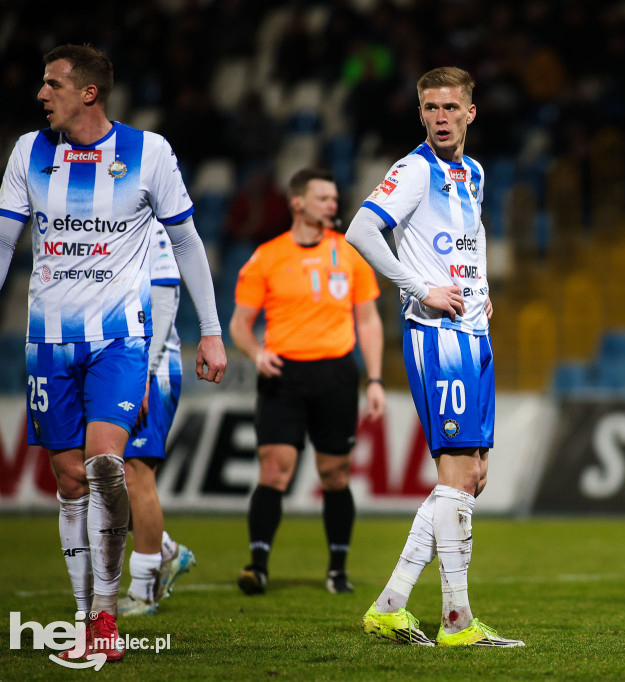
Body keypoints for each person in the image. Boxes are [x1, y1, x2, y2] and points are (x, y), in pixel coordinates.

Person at [0, 44, 226, 662]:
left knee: (106, 465)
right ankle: (83, 616)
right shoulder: (27, 152)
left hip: (121, 340)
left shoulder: (150, 153)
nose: (41, 95)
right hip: (48, 341)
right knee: (69, 481)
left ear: (88, 92)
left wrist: (210, 328)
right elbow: (2, 243)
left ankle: (105, 617)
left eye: (52, 84)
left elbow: (186, 243)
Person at [346, 66, 524, 647]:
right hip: (438, 335)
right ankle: (457, 621)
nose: (441, 117)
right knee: (455, 475)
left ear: (472, 113)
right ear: (419, 113)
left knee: (470, 477)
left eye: (451, 108)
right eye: (431, 108)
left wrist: (481, 285)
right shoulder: (414, 170)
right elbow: (361, 231)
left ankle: (392, 605)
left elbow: (468, 235)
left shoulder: (471, 172)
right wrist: (419, 288)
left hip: (475, 333)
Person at [229, 168, 386, 596]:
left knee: (335, 474)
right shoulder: (267, 257)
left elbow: (368, 321)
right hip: (284, 375)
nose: (332, 205)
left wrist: (374, 379)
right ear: (297, 203)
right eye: (322, 198)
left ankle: (337, 570)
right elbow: (240, 325)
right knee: (275, 469)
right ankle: (257, 566)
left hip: (336, 374)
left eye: (335, 198)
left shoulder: (351, 253)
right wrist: (257, 352)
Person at [117, 223, 197, 617]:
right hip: (110, 368)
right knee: (105, 475)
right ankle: (165, 550)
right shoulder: (105, 224)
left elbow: (165, 299)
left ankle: (145, 590)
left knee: (135, 473)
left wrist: (144, 374)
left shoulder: (151, 226)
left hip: (151, 372)